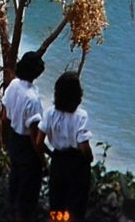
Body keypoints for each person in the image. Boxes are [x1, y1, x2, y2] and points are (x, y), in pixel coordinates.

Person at [36, 71, 94, 222]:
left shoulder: (49, 114)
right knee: (76, 206)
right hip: (76, 164)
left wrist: (50, 156)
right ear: (77, 94)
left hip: (58, 161)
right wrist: (88, 159)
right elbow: (84, 148)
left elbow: (38, 142)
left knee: (57, 204)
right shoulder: (81, 116)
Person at [1, 50, 46, 222]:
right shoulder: (32, 99)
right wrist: (43, 160)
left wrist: (6, 141)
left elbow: (4, 117)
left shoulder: (13, 85)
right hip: (27, 148)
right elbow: (35, 137)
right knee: (27, 194)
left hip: (14, 140)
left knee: (15, 183)